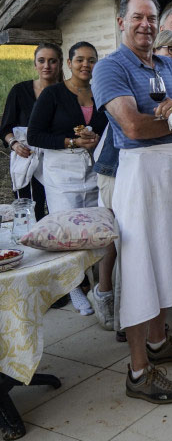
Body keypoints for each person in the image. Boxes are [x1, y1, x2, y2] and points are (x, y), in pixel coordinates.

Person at [92, 0, 172, 403]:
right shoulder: (111, 67)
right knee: (142, 264)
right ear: (121, 21)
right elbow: (133, 127)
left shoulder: (169, 65)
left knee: (168, 256)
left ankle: (160, 342)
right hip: (142, 178)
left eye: (152, 18)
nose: (145, 25)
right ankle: (138, 370)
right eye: (138, 18)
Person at [27, 41, 107, 313]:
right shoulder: (53, 95)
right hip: (61, 173)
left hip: (92, 169)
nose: (86, 65)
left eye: (92, 60)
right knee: (67, 232)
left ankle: (100, 286)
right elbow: (34, 135)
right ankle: (74, 289)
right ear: (70, 63)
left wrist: (94, 139)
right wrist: (71, 142)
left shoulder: (101, 92)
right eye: (80, 59)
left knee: (95, 230)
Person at [1, 42, 63, 221]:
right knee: (28, 212)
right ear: (35, 64)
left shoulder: (67, 92)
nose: (46, 66)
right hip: (26, 157)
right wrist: (14, 144)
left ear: (59, 63)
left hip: (57, 159)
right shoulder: (20, 91)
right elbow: (5, 127)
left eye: (52, 61)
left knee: (57, 210)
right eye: (41, 60)